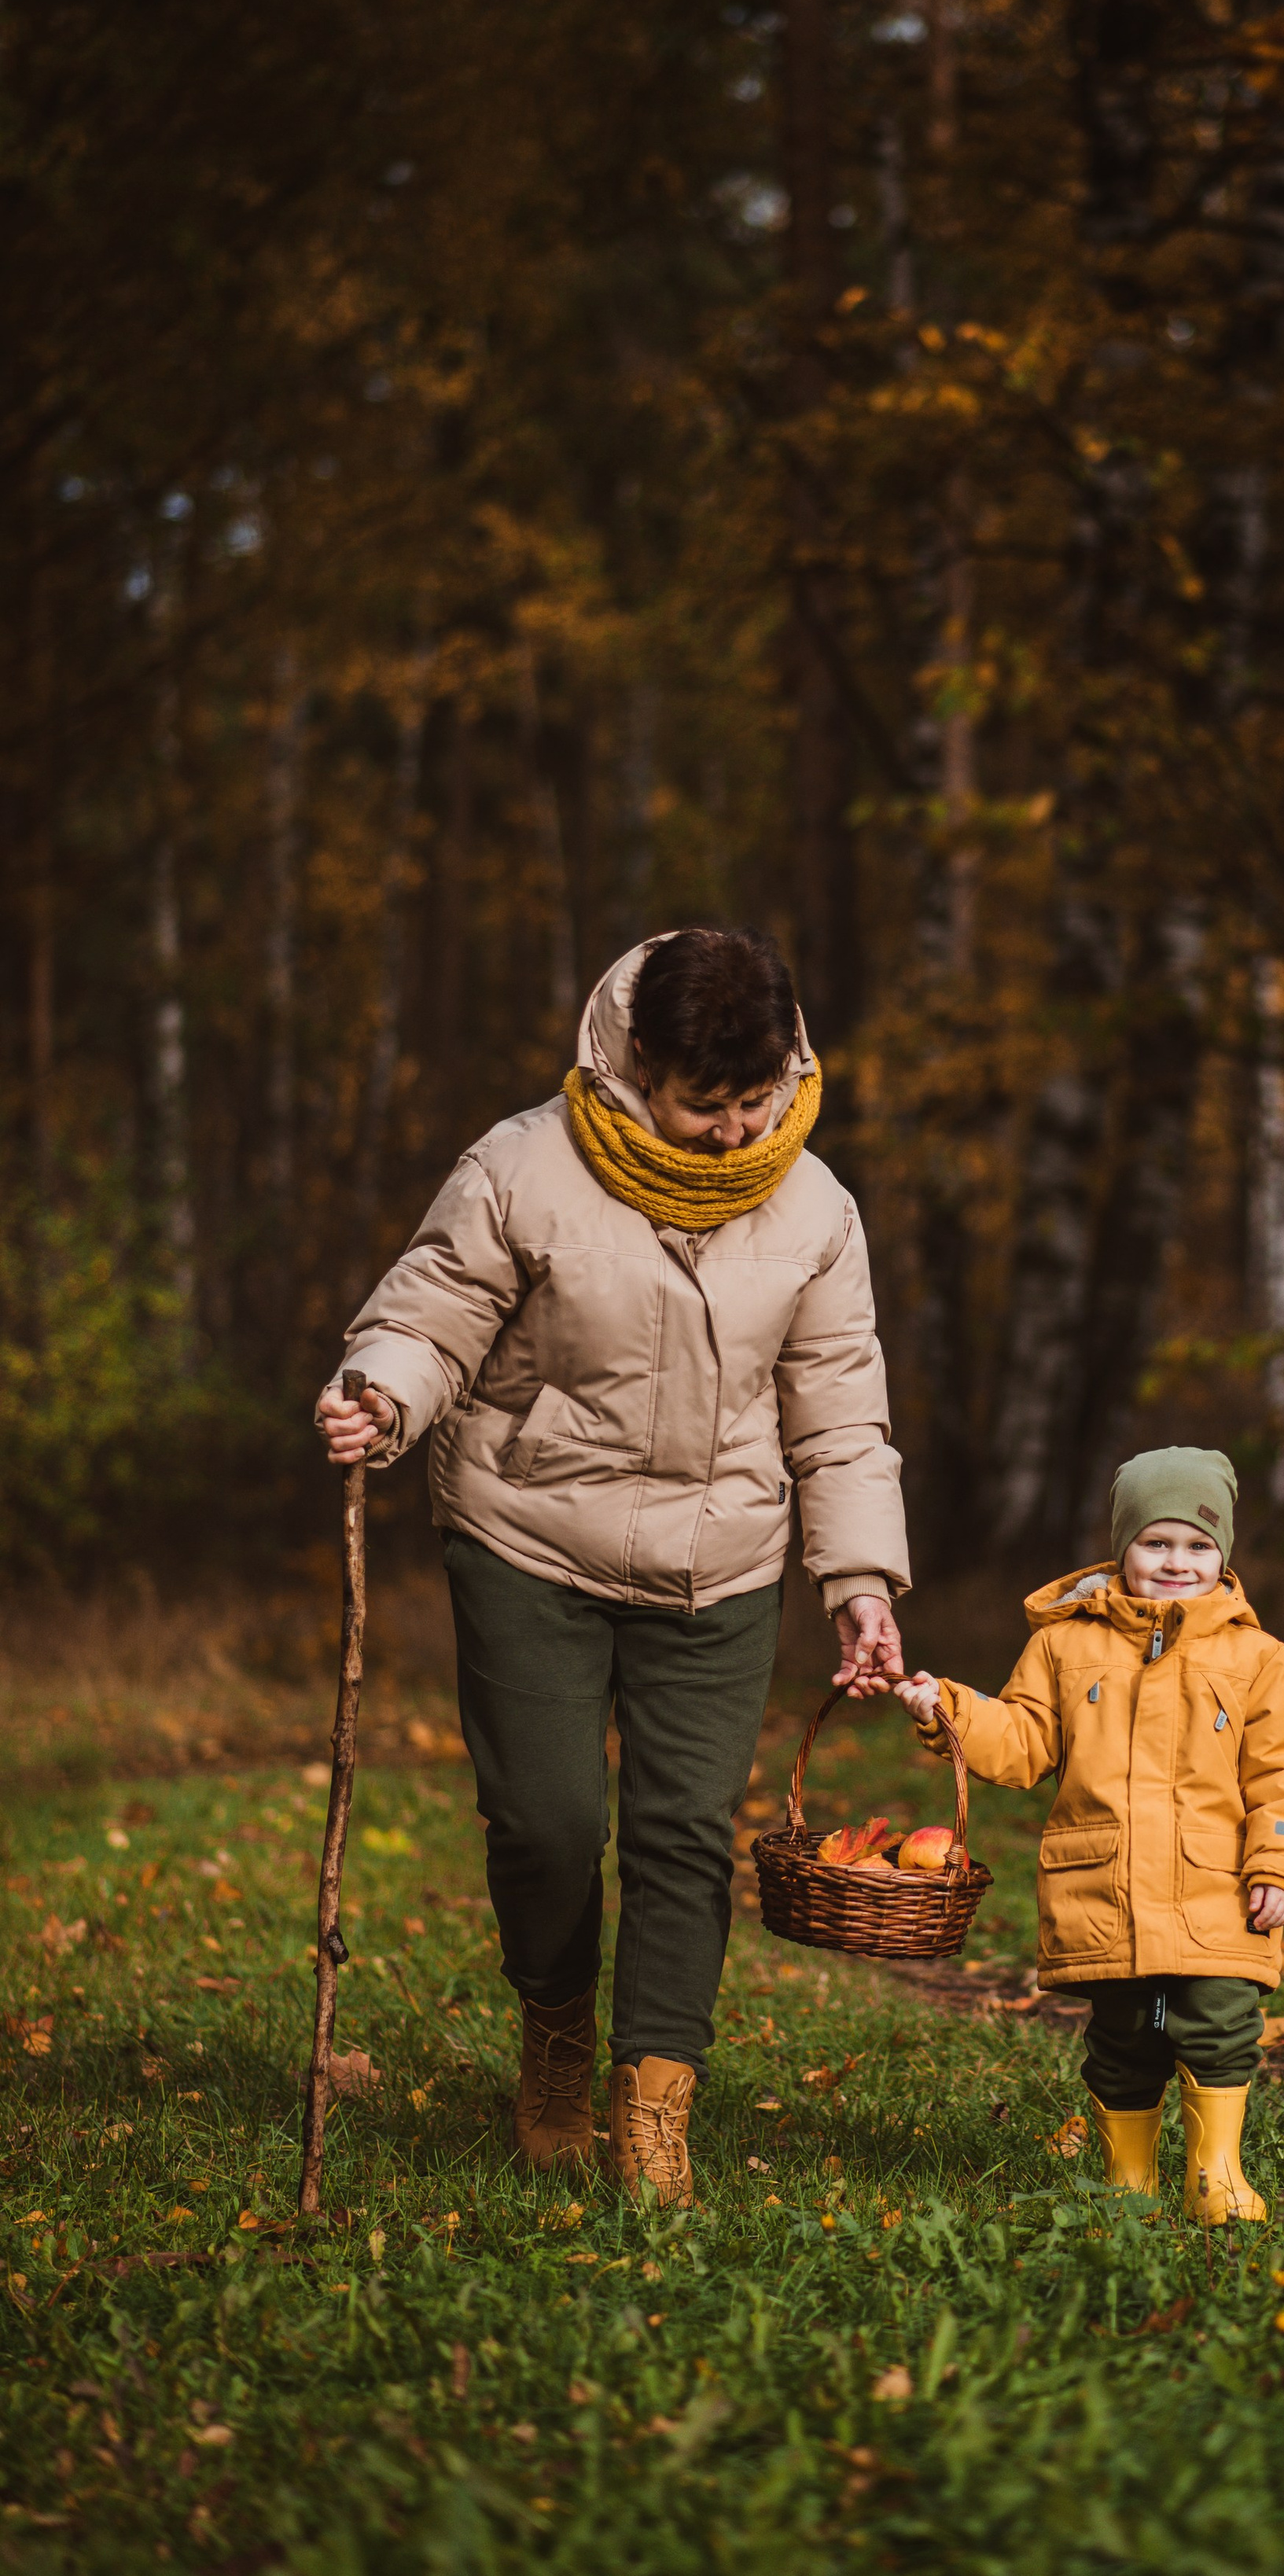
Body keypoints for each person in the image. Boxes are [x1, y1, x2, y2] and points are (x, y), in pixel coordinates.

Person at [315, 928, 907, 2211]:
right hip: (528, 1530)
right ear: (636, 1068)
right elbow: (432, 1317)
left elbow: (840, 1412)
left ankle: (653, 2104)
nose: (735, 1133)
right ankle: (558, 2040)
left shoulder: (813, 1205)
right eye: (708, 1106)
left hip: (724, 1557)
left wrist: (859, 1579)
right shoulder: (524, 1167)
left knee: (684, 1837)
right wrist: (383, 1392)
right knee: (546, 1823)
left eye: (757, 1101)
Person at [867, 1446, 1284, 2222]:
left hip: (1215, 1889)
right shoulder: (1062, 1644)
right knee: (1122, 2039)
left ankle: (1215, 2176)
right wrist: (946, 1707)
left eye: (1197, 1545)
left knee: (1220, 2023)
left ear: (1224, 1553)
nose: (1176, 1562)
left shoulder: (1259, 1659)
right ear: (1122, 1547)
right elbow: (1021, 1741)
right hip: (1104, 1887)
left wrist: (1278, 1866)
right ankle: (1128, 2179)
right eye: (1155, 1542)